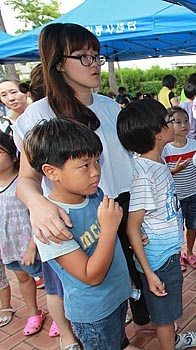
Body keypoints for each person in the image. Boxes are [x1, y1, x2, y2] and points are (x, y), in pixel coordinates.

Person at [13, 22, 144, 350]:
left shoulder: (110, 107)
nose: (95, 65)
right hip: (69, 223)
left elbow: (131, 162)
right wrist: (39, 206)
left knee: (115, 287)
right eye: (83, 57)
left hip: (112, 213)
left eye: (96, 56)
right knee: (72, 290)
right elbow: (26, 180)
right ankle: (70, 338)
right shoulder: (38, 116)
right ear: (58, 63)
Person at [24, 118, 132, 348]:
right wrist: (110, 229)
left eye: (97, 162)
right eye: (85, 165)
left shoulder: (94, 194)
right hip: (95, 313)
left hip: (117, 296)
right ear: (51, 172)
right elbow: (90, 275)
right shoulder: (52, 225)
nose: (95, 172)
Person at [118, 99, 196, 350]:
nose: (173, 124)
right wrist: (149, 272)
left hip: (165, 253)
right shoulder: (145, 173)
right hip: (158, 260)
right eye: (169, 121)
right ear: (158, 133)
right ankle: (171, 344)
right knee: (165, 318)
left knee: (168, 312)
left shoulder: (157, 164)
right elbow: (132, 226)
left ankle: (174, 340)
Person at [0, 132, 44, 336]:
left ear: (14, 155)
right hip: (8, 248)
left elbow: (37, 215)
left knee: (51, 281)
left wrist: (32, 246)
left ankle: (60, 316)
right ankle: (34, 313)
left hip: (34, 247)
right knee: (23, 279)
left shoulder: (25, 183)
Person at [161, 106, 196, 272]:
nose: (184, 125)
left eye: (186, 121)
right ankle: (178, 255)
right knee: (176, 229)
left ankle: (190, 252)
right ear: (169, 124)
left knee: (193, 226)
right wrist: (175, 170)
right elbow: (162, 173)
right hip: (175, 198)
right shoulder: (165, 148)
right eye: (178, 122)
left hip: (193, 194)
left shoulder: (195, 145)